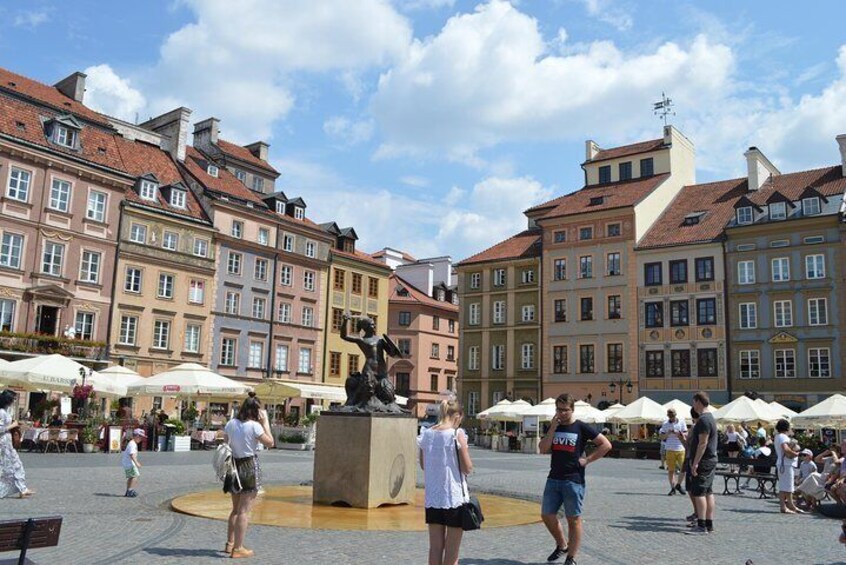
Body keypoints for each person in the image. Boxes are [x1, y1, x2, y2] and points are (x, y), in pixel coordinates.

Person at [539, 394, 612, 564]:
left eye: (565, 410)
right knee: (547, 515)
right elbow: (542, 449)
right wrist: (551, 428)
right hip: (553, 478)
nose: (562, 413)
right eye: (559, 409)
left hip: (574, 480)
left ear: (572, 410)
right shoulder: (554, 427)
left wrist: (587, 460)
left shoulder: (581, 427)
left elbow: (606, 445)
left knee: (574, 519)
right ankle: (562, 544)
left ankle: (571, 558)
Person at [418, 398, 473, 565]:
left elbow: (423, 465)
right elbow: (467, 468)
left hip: (433, 497)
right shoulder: (457, 435)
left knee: (435, 548)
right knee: (452, 551)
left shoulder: (426, 434)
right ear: (457, 416)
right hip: (453, 497)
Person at [223, 393, 274, 559]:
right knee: (244, 511)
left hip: (232, 465)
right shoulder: (254, 426)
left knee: (235, 509)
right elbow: (270, 443)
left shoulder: (231, 423)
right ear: (256, 411)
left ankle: (229, 543)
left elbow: (226, 442)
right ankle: (238, 548)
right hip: (248, 465)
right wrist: (265, 422)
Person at [685, 391, 718, 535]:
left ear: (698, 401)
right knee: (708, 492)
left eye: (693, 402)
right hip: (710, 459)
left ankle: (701, 525)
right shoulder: (710, 418)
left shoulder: (704, 420)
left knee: (699, 492)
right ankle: (709, 524)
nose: (693, 405)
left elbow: (702, 443)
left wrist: (695, 463)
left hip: (704, 461)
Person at [0, 390, 34, 499]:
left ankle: (22, 488)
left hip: (7, 441)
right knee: (9, 465)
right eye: (13, 399)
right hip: (3, 441)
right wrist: (12, 425)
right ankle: (20, 489)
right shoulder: (1, 412)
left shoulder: (5, 410)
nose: (14, 401)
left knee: (15, 463)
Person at [774, 419, 803, 514]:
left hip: (781, 463)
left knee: (783, 486)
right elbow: (785, 449)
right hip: (786, 464)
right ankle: (790, 505)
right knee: (789, 486)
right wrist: (795, 453)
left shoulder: (777, 436)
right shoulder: (783, 437)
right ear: (786, 427)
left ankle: (784, 506)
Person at [659, 408, 687, 495]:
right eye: (670, 416)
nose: (671, 418)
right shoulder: (665, 424)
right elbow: (661, 437)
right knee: (671, 470)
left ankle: (678, 484)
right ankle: (673, 488)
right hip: (670, 449)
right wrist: (668, 433)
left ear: (675, 415)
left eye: (673, 416)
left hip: (680, 448)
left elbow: (686, 434)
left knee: (683, 469)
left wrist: (678, 433)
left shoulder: (681, 422)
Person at [683, 408, 699, 526]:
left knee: (692, 488)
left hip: (691, 459)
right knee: (692, 488)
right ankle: (697, 513)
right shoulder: (699, 427)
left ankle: (698, 514)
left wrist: (683, 438)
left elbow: (688, 445)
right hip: (693, 458)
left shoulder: (694, 428)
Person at [121, 428, 145, 497]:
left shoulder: (132, 443)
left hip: (127, 463)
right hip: (130, 463)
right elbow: (132, 455)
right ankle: (130, 490)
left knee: (131, 477)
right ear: (137, 436)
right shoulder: (133, 444)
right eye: (141, 437)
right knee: (135, 476)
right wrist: (136, 463)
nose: (141, 439)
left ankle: (128, 490)